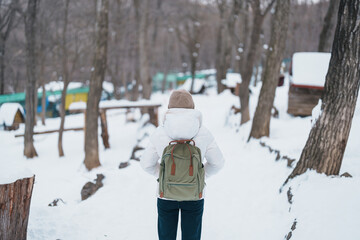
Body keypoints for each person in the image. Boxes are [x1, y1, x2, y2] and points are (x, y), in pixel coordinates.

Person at [141, 89, 225, 240]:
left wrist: (163, 175)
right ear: (192, 107)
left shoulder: (160, 132)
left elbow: (146, 164)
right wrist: (199, 176)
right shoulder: (203, 132)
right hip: (194, 195)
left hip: (166, 195)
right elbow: (218, 163)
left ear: (170, 108)